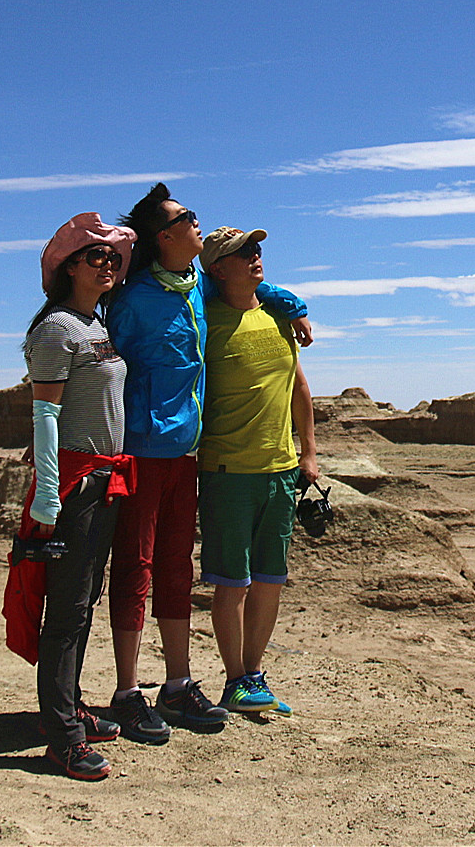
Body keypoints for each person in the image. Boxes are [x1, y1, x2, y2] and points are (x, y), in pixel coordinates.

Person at [103, 184, 312, 742]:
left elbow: (252, 289)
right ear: (164, 237)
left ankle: (176, 684)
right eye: (188, 218)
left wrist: (294, 306)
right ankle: (127, 691)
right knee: (135, 568)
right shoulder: (131, 297)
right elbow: (104, 366)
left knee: (174, 568)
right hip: (139, 450)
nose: (199, 222)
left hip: (186, 455)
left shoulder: (196, 287)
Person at [10, 213, 136, 781]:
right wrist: (47, 497)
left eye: (112, 257)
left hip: (104, 478)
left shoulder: (94, 325)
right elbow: (44, 416)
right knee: (65, 609)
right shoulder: (58, 328)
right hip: (75, 482)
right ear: (67, 267)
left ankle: (67, 709)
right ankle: (62, 738)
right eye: (94, 256)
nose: (107, 263)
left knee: (83, 602)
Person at [197, 225, 319, 716]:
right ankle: (234, 680)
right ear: (218, 268)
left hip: (280, 469)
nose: (255, 257)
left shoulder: (275, 316)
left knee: (271, 578)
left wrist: (308, 453)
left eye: (258, 249)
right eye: (242, 252)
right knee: (233, 582)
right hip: (228, 470)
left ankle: (253, 675)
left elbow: (299, 390)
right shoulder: (205, 321)